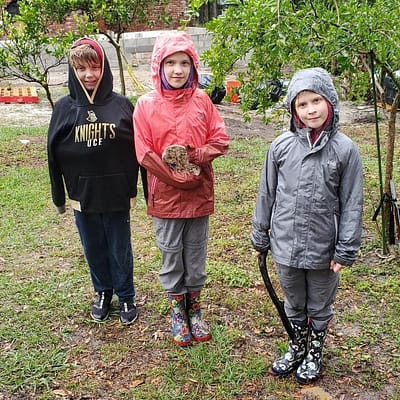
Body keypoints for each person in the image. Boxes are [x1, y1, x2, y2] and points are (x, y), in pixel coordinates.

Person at [250, 67, 363, 383]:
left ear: (330, 102)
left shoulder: (345, 150)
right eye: (302, 104)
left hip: (324, 248)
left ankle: (315, 351)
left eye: (316, 100)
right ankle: (297, 345)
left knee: (319, 302)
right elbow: (267, 192)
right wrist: (261, 234)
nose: (311, 109)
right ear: (292, 109)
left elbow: (352, 202)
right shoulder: (281, 146)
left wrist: (346, 248)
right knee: (295, 301)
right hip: (285, 244)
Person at [133, 30, 229, 346]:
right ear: (159, 65)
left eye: (184, 63)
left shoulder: (202, 101)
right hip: (166, 197)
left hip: (199, 193)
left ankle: (195, 310)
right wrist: (174, 178)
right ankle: (178, 311)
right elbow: (144, 151)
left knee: (196, 253)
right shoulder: (146, 106)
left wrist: (195, 156)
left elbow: (220, 139)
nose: (177, 70)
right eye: (170, 63)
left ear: (193, 66)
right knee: (172, 254)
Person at [47, 37, 147, 325]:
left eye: (94, 67)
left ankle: (126, 294)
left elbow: (141, 149)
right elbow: (52, 153)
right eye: (81, 69)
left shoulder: (121, 105)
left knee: (119, 246)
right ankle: (103, 291)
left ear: (104, 68)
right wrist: (58, 196)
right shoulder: (64, 108)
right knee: (93, 246)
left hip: (116, 192)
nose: (89, 75)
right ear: (72, 70)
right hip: (83, 194)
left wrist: (146, 190)